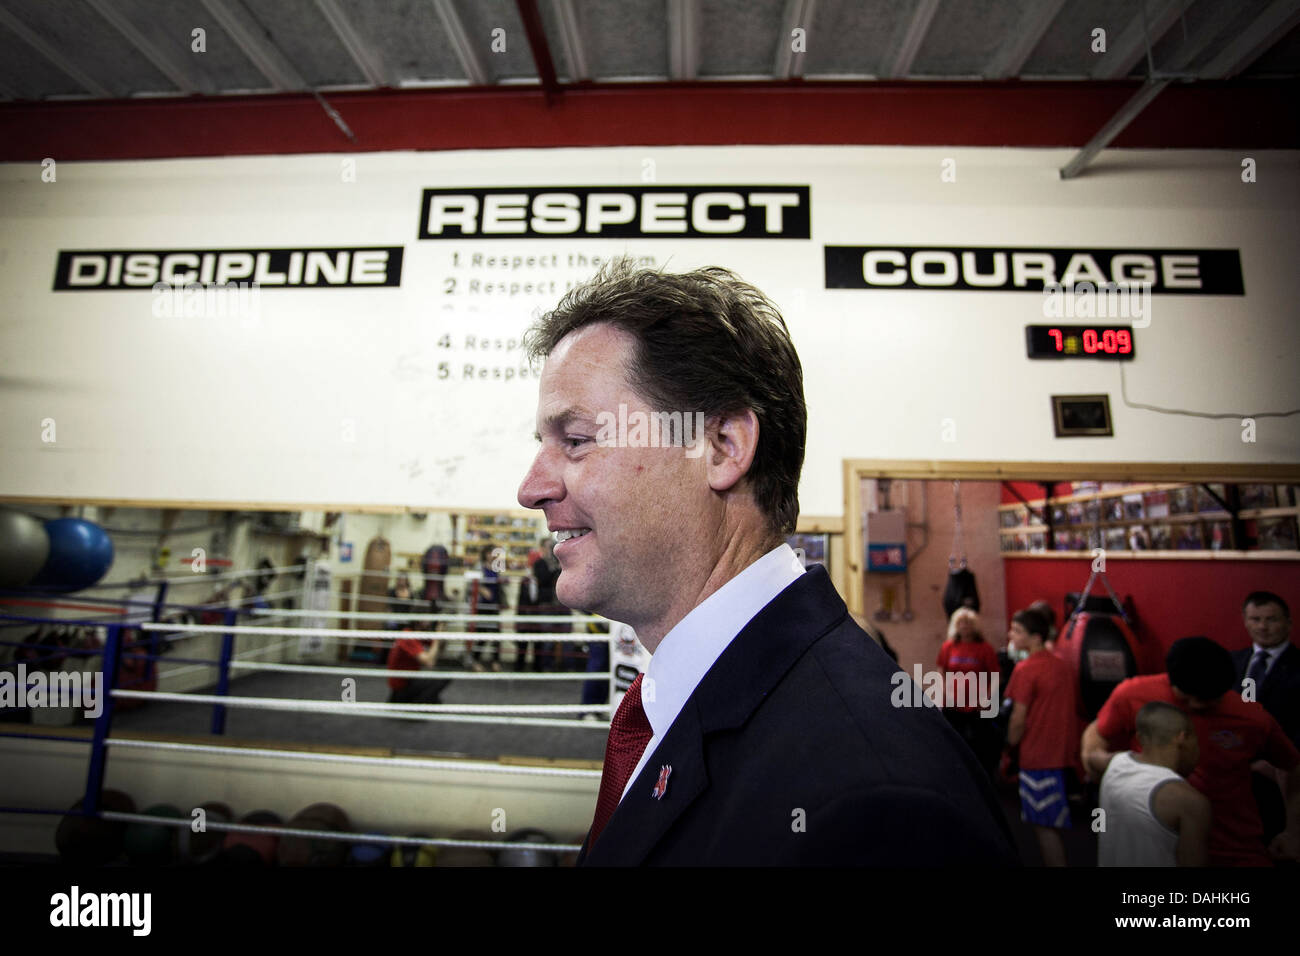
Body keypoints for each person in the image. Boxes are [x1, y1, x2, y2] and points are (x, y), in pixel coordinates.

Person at [516, 259, 1017, 866]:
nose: (531, 487)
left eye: (576, 440)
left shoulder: (876, 801)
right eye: (541, 445)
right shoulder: (678, 700)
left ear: (723, 447)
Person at [1081, 636, 1300, 867]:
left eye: (1207, 701)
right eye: (1187, 698)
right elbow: (1095, 736)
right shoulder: (1133, 694)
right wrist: (1109, 768)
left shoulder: (1252, 718)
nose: (1196, 706)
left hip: (1233, 847)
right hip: (1154, 839)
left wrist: (1294, 832)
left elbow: (1292, 767)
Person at [1004, 607, 1080, 866]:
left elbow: (1017, 719)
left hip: (1038, 759)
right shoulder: (1063, 666)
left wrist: (1008, 748)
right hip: (1064, 756)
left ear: (1036, 637)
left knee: (1044, 828)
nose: (1011, 634)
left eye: (1017, 631)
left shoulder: (1025, 669)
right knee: (1052, 826)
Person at [1097, 701, 1209, 866]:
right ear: (1182, 738)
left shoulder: (1115, 764)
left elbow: (1090, 756)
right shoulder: (1190, 802)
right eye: (1196, 740)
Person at [1231, 591, 1300, 842]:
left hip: (1279, 774)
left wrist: (1282, 764)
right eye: (1256, 619)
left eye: (1271, 619)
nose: (1263, 627)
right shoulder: (1231, 662)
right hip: (1231, 768)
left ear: (1288, 623)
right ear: (1245, 621)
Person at [936, 607, 1001, 779]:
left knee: (979, 745)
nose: (964, 626)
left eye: (968, 623)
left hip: (977, 706)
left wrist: (986, 698)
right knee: (955, 743)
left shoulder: (985, 648)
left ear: (975, 626)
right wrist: (943, 693)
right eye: (960, 623)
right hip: (953, 704)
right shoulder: (948, 646)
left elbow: (995, 676)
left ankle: (981, 777)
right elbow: (941, 671)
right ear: (955, 626)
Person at [386, 630, 449, 706]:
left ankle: (427, 702)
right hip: (402, 687)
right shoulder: (408, 636)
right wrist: (438, 637)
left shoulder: (416, 634)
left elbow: (437, 650)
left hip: (407, 681)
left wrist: (440, 636)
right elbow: (429, 662)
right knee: (443, 676)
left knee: (436, 683)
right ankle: (416, 705)